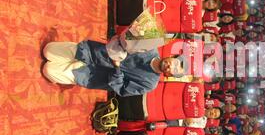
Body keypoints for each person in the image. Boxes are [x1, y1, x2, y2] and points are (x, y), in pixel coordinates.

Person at [42, 39, 184, 97]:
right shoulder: (150, 47)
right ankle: (69, 58)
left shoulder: (150, 83)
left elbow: (121, 90)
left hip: (91, 75)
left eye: (175, 70)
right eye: (176, 63)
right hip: (93, 53)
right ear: (173, 57)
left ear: (170, 75)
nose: (171, 66)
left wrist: (117, 69)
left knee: (47, 70)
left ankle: (67, 70)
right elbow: (124, 38)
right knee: (47, 50)